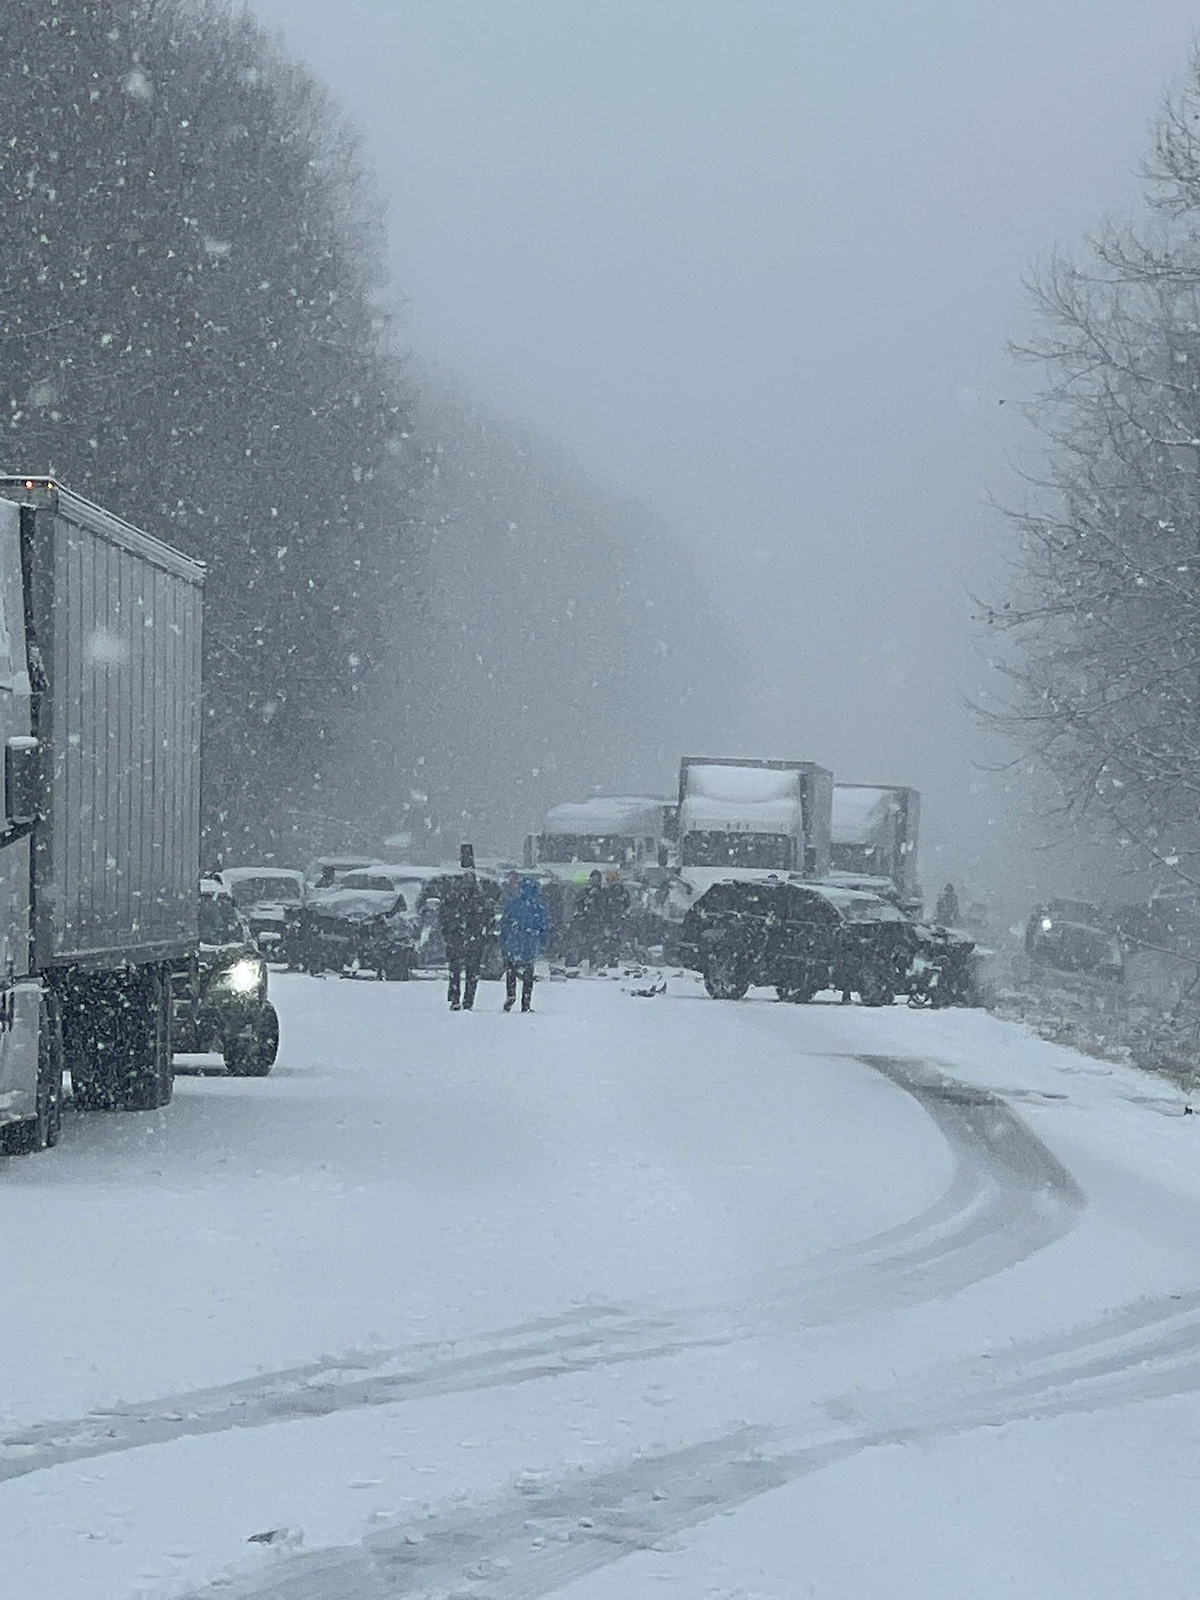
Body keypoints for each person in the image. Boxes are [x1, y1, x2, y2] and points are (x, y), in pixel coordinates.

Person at [438, 870, 493, 1010]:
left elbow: (443, 917)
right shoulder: (478, 899)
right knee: (467, 972)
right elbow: (488, 919)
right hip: (466, 939)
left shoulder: (455, 898)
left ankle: (459, 999)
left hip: (463, 939)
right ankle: (464, 1000)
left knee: (460, 971)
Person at [500, 876, 549, 1012]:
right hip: (529, 944)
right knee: (528, 973)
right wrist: (543, 941)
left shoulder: (513, 903)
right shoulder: (537, 906)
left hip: (513, 943)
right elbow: (543, 926)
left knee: (511, 970)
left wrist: (504, 941)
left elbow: (504, 923)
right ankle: (525, 1003)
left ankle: (511, 995)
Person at [570, 869, 607, 966]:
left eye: (597, 878)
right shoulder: (584, 891)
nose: (595, 880)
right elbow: (578, 903)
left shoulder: (603, 892)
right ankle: (580, 960)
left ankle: (594, 961)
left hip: (597, 921)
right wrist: (581, 911)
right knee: (583, 942)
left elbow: (605, 906)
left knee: (596, 942)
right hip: (585, 921)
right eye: (593, 878)